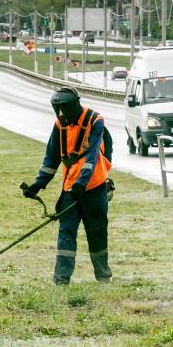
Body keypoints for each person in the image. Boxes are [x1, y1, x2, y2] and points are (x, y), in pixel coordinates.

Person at [23, 88, 113, 285]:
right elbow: (52, 157)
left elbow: (92, 157)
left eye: (63, 109)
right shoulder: (59, 125)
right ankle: (61, 279)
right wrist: (38, 185)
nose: (61, 114)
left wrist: (82, 184)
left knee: (97, 232)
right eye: (57, 109)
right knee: (66, 233)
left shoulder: (95, 121)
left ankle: (103, 277)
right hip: (71, 188)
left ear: (74, 106)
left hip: (94, 188)